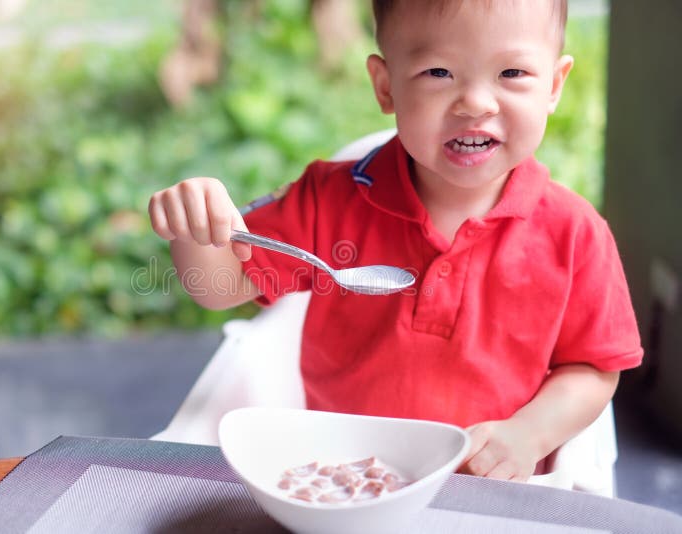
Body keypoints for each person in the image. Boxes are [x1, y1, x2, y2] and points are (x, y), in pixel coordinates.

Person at [148, 0, 643, 482]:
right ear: (386, 87)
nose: (475, 102)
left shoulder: (575, 234)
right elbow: (221, 286)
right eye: (438, 72)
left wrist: (530, 434)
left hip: (491, 490)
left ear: (554, 85)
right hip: (340, 483)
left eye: (512, 73)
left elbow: (594, 367)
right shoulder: (329, 202)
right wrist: (198, 231)